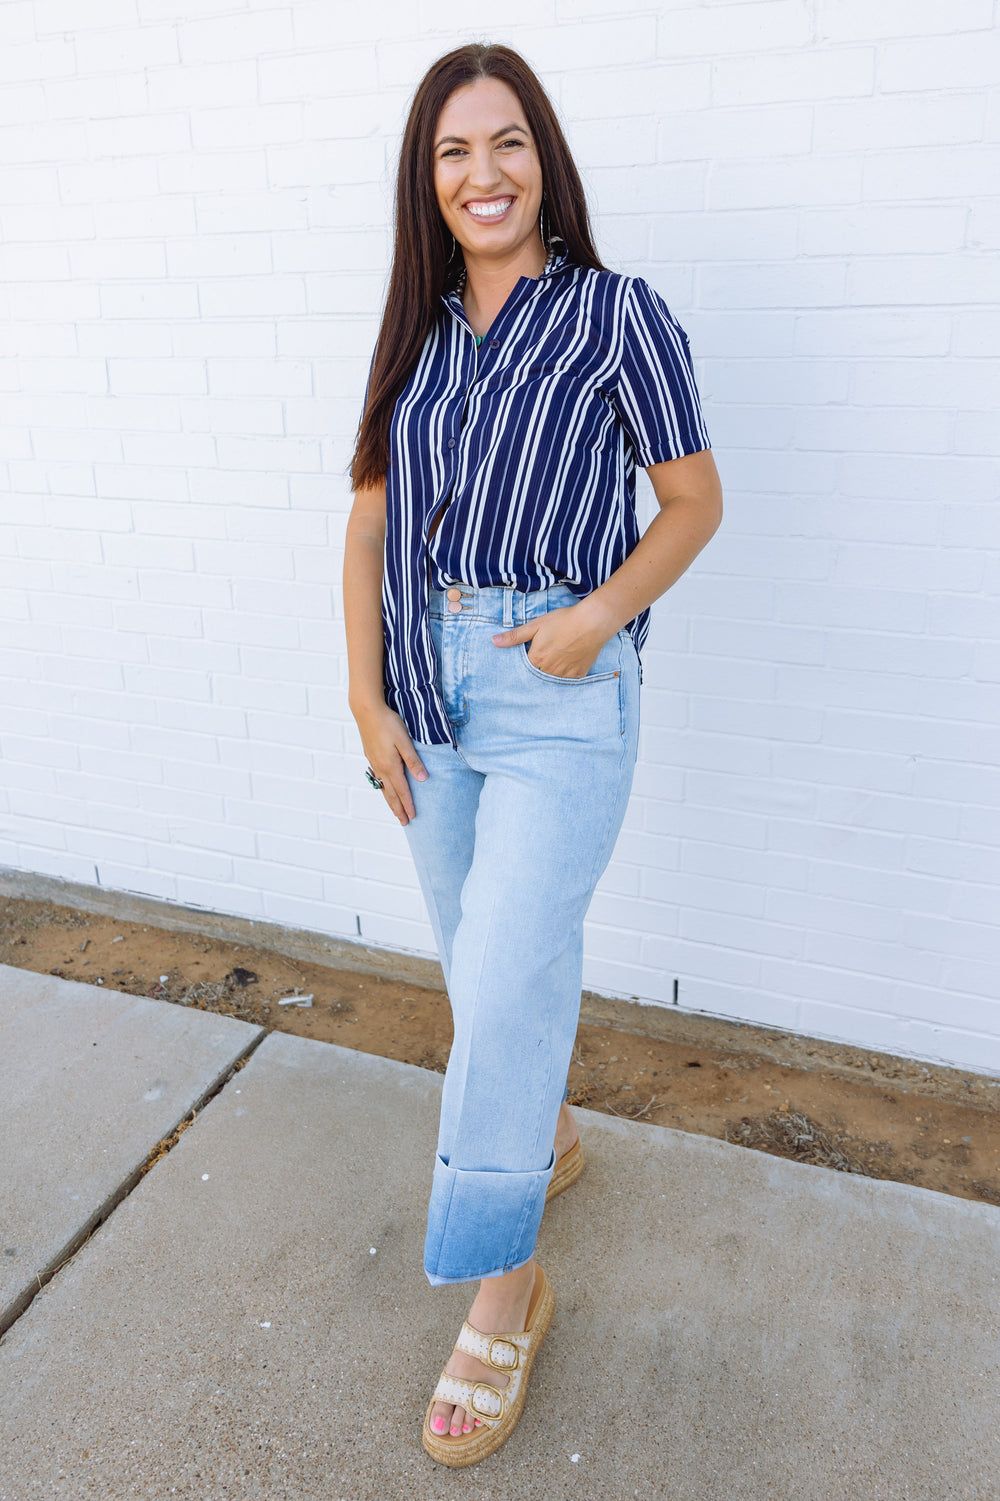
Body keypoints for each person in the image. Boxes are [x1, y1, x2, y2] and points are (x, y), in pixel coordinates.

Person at [343, 43, 722, 1467]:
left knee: (502, 972)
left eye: (506, 144)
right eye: (453, 152)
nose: (482, 174)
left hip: (563, 688)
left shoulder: (620, 317)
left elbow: (692, 502)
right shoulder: (416, 332)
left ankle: (506, 1289)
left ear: (544, 160)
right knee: (477, 963)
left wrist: (596, 619)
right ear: (427, 181)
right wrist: (367, 696)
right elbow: (369, 525)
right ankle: (548, 1129)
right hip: (426, 696)